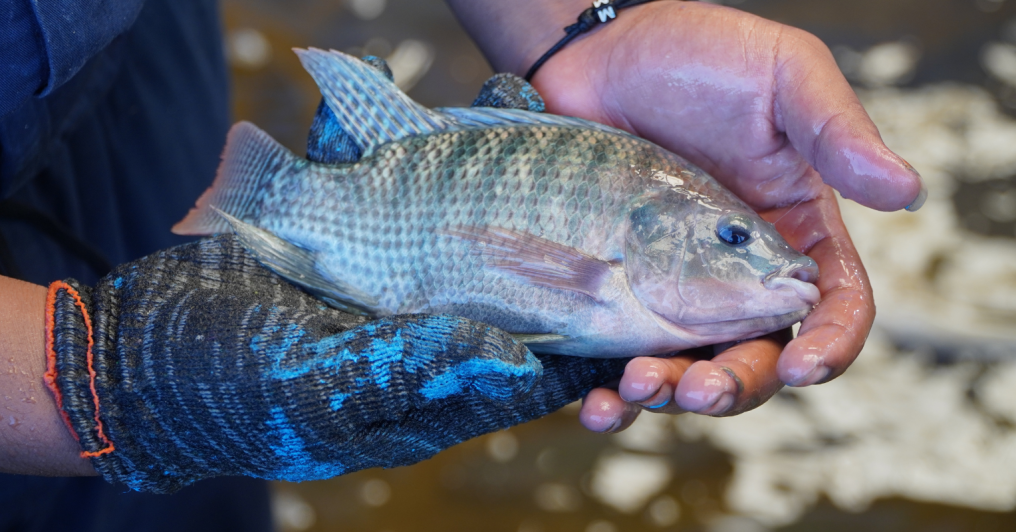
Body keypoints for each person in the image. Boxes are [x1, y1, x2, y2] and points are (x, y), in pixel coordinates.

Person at [0, 0, 924, 529]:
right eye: (731, 238)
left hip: (109, 35)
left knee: (220, 467)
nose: (764, 260)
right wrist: (95, 380)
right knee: (153, 440)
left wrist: (569, 29)